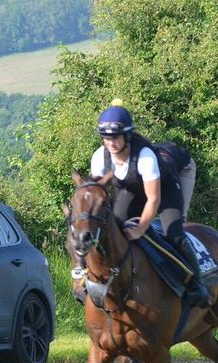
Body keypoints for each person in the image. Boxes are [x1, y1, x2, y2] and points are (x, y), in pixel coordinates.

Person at [89, 100, 210, 308]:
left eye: (115, 137)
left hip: (166, 186)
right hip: (133, 188)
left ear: (127, 135)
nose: (111, 143)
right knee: (115, 228)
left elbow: (154, 199)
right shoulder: (100, 157)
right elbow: (96, 193)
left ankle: (197, 285)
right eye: (106, 138)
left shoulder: (145, 157)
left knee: (174, 235)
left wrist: (140, 229)